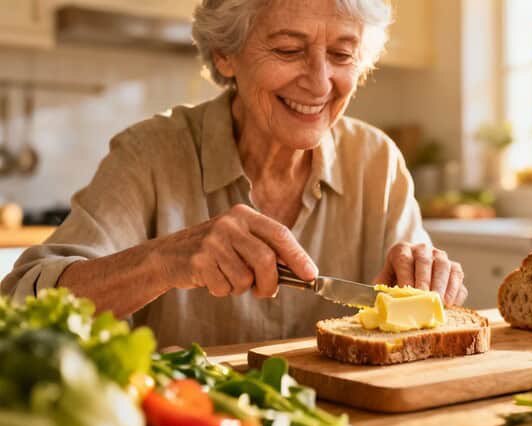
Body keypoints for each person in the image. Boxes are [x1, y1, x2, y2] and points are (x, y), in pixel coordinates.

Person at [0, 0, 467, 348]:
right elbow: (21, 306)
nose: (320, 81)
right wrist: (162, 262)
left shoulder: (377, 162)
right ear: (226, 54)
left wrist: (431, 283)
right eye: (289, 49)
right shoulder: (149, 154)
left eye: (343, 56)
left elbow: (425, 312)